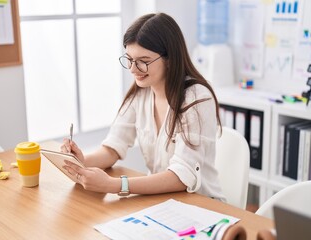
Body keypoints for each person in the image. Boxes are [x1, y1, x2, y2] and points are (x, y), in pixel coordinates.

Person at [61, 12, 225, 201]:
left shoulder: (197, 98)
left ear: (169, 59)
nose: (132, 69)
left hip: (202, 205)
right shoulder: (141, 92)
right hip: (161, 202)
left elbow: (182, 177)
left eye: (143, 62)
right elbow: (113, 147)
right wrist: (80, 161)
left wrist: (113, 185)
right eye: (129, 59)